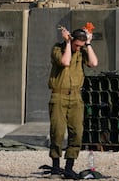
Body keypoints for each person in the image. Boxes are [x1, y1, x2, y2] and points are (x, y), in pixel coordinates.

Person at [48, 26, 98, 179]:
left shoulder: (82, 51)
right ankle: (56, 167)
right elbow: (65, 61)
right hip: (59, 96)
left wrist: (88, 44)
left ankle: (69, 166)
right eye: (77, 45)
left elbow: (94, 63)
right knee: (57, 132)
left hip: (76, 97)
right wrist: (68, 44)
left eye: (80, 46)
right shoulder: (58, 49)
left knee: (77, 133)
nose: (78, 48)